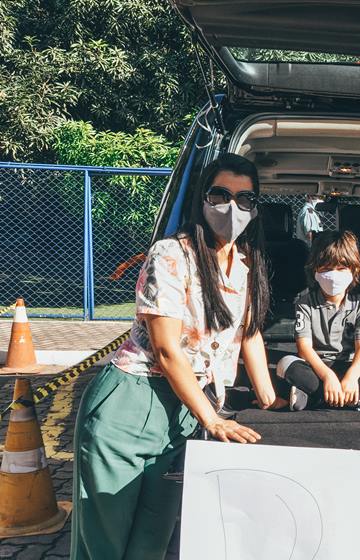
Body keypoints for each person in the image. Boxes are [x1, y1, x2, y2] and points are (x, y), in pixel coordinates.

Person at [71, 154, 284, 560]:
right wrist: (213, 419)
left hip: (188, 410)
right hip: (134, 403)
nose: (231, 207)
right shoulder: (171, 254)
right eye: (220, 194)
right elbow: (167, 351)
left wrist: (269, 400)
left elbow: (249, 333)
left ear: (255, 209)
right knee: (105, 544)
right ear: (202, 200)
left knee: (154, 539)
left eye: (244, 199)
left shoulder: (245, 264)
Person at [277, 230, 360, 412]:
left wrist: (351, 377)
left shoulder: (359, 305)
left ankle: (313, 399)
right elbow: (304, 348)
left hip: (349, 367)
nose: (333, 275)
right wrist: (327, 377)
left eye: (341, 268)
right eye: (326, 269)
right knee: (286, 364)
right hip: (318, 368)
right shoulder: (305, 303)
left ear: (354, 270)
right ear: (315, 270)